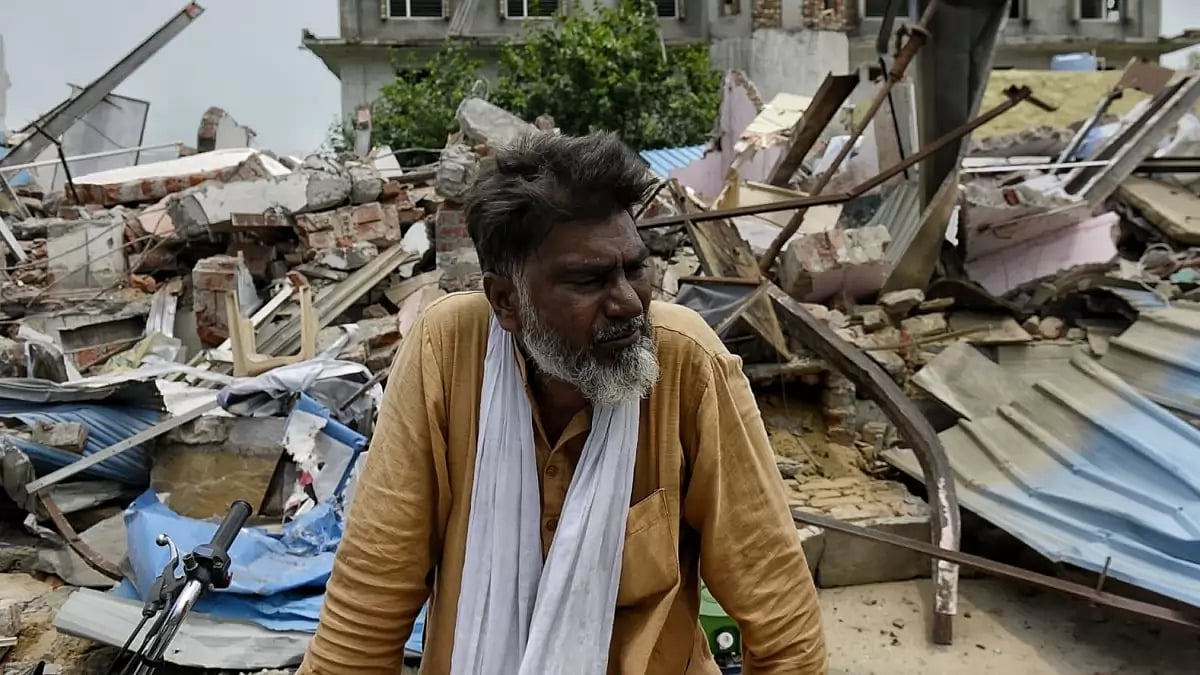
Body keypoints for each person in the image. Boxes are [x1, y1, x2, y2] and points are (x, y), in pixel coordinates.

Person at [297, 131, 826, 675]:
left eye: (635, 269)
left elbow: (782, 623)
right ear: (506, 301)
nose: (629, 303)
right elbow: (367, 605)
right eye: (588, 280)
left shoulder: (686, 362)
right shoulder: (447, 353)